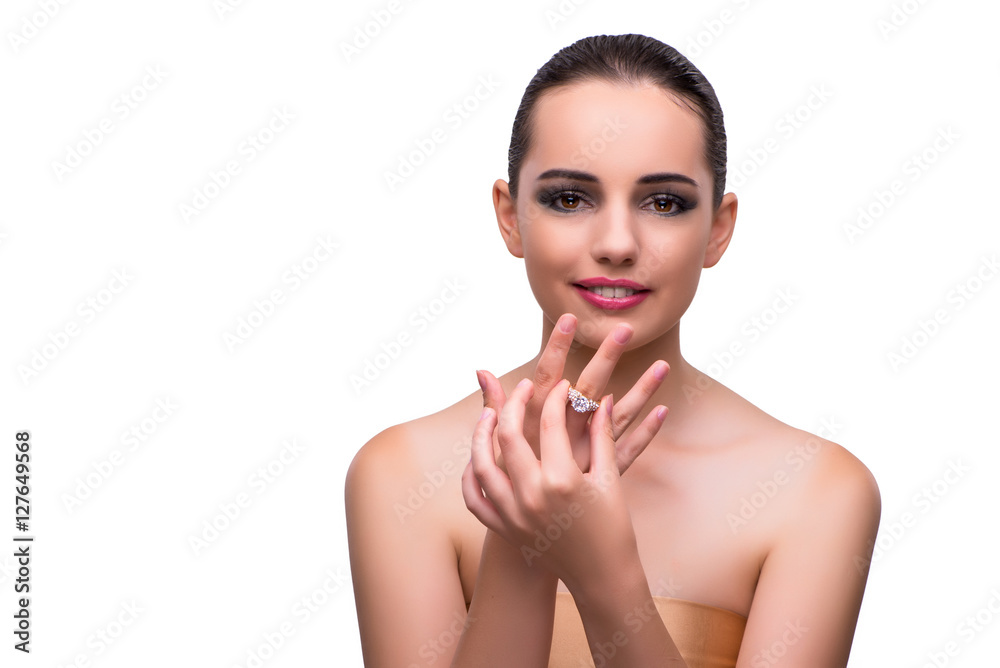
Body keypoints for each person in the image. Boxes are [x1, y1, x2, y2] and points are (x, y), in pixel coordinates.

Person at [346, 33, 881, 667]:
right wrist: (527, 540)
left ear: (718, 229)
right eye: (570, 198)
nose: (618, 243)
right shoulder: (399, 473)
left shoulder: (818, 491)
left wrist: (606, 576)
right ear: (510, 215)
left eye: (664, 202)